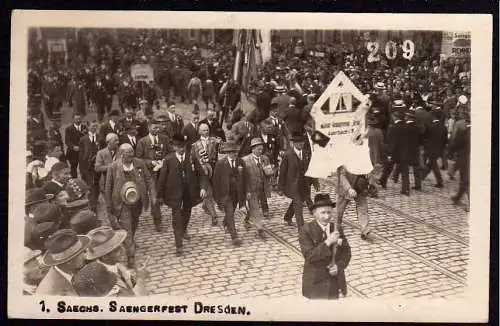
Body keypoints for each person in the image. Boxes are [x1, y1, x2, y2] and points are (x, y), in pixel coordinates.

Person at [105, 143, 156, 268]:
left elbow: (148, 179)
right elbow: (108, 188)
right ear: (121, 154)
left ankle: (129, 241)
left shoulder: (139, 163)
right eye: (128, 153)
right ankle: (131, 257)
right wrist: (109, 207)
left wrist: (153, 195)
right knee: (127, 228)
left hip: (137, 201)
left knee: (134, 224)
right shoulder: (113, 167)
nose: (131, 155)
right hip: (122, 204)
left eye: (132, 152)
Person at [157, 135, 209, 256]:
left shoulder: (192, 158)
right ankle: (178, 245)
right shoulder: (168, 160)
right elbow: (162, 179)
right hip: (175, 195)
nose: (181, 149)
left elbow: (201, 174)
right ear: (174, 147)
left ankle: (183, 230)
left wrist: (202, 188)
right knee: (177, 220)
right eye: (178, 147)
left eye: (182, 147)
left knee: (186, 215)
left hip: (189, 194)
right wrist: (159, 196)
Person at [298, 193, 351, 299]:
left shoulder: (337, 228)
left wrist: (339, 267)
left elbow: (347, 252)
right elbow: (310, 256)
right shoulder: (306, 230)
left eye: (329, 212)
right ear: (314, 213)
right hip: (315, 283)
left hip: (334, 282)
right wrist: (328, 241)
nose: (326, 216)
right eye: (323, 213)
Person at [85, 226, 148, 296]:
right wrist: (141, 278)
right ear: (105, 256)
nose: (122, 250)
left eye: (121, 246)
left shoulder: (117, 266)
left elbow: (131, 286)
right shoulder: (104, 279)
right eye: (117, 250)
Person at [135, 119, 171, 232]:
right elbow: (138, 159)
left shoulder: (164, 139)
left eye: (158, 127)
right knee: (154, 197)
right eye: (154, 128)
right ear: (149, 128)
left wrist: (165, 160)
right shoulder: (143, 142)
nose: (157, 130)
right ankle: (158, 222)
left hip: (164, 173)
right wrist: (151, 163)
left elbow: (170, 152)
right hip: (151, 175)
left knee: (166, 195)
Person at [36, 229, 90, 296]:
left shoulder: (70, 270)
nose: (85, 256)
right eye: (81, 253)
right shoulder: (52, 293)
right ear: (69, 261)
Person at [212, 142, 245, 246]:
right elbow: (215, 181)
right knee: (230, 213)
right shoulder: (221, 164)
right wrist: (217, 198)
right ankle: (234, 236)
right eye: (231, 152)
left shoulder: (241, 162)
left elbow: (245, 178)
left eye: (235, 152)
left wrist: (244, 193)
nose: (234, 154)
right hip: (225, 194)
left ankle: (225, 222)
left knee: (231, 211)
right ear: (227, 153)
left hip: (237, 193)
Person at [191, 123, 221, 226]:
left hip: (214, 170)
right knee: (208, 193)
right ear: (199, 132)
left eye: (207, 130)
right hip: (202, 172)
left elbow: (220, 154)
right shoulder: (195, 145)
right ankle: (214, 216)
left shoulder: (215, 141)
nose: (206, 132)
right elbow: (192, 160)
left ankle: (205, 206)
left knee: (216, 191)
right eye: (203, 130)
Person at [241, 138, 271, 240]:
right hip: (251, 189)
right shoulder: (244, 160)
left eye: (261, 149)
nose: (260, 151)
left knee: (254, 207)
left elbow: (269, 174)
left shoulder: (265, 159)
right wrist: (246, 191)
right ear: (252, 149)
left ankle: (246, 219)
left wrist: (268, 170)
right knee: (255, 208)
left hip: (262, 188)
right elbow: (242, 178)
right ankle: (260, 229)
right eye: (258, 149)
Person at [336, 164, 374, 242]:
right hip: (346, 188)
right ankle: (336, 227)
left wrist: (370, 183)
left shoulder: (364, 156)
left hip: (360, 187)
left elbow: (369, 170)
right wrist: (349, 188)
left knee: (363, 208)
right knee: (340, 210)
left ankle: (365, 231)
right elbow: (342, 175)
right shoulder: (346, 157)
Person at [278, 133, 309, 230]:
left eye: (302, 142)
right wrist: (280, 187)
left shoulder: (306, 153)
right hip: (292, 185)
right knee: (298, 203)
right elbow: (282, 172)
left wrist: (315, 182)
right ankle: (302, 228)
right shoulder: (288, 155)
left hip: (303, 184)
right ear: (293, 143)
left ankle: (287, 217)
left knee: (299, 200)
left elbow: (309, 168)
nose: (300, 144)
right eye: (298, 142)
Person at [448, 108, 470, 211]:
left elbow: (455, 140)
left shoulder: (460, 125)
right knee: (464, 178)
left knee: (465, 178)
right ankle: (457, 197)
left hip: (464, 156)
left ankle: (471, 204)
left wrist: (450, 152)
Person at [422, 107, 448, 188]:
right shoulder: (444, 127)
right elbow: (445, 140)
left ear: (433, 117)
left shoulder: (430, 126)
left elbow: (424, 137)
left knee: (433, 165)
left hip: (430, 148)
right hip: (439, 149)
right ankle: (422, 176)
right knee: (431, 164)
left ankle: (440, 182)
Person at [78, 121, 100, 212]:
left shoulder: (100, 137)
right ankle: (93, 205)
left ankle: (95, 198)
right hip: (87, 167)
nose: (94, 128)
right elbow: (80, 155)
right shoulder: (83, 139)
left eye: (96, 126)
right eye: (92, 126)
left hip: (97, 166)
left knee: (96, 184)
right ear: (88, 127)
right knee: (90, 185)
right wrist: (82, 168)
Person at [64, 112, 87, 178]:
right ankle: (75, 182)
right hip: (73, 152)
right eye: (76, 119)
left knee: (83, 168)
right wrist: (73, 147)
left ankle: (84, 182)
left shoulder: (84, 127)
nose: (78, 120)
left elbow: (86, 139)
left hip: (82, 152)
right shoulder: (68, 129)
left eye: (79, 119)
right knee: (73, 168)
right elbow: (67, 141)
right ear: (73, 119)